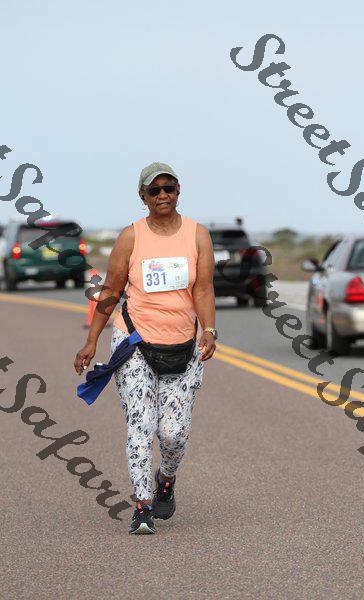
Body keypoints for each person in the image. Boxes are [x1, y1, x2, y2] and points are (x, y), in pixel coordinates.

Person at [74, 162, 217, 534]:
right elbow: (111, 291)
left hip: (183, 345)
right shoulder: (130, 237)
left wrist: (209, 329)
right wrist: (91, 341)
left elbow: (203, 288)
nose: (162, 195)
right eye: (154, 190)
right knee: (140, 426)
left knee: (173, 433)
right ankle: (142, 506)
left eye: (169, 188)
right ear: (143, 196)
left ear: (178, 191)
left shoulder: (198, 235)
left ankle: (166, 478)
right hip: (134, 342)